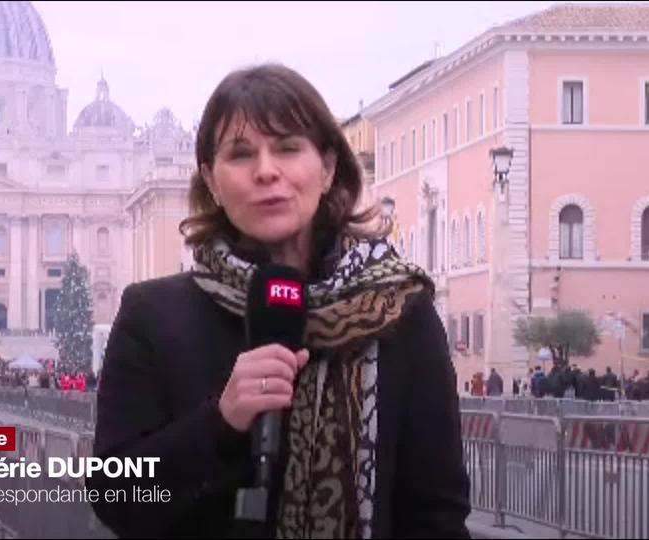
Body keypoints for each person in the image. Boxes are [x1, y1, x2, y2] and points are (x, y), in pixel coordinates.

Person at [87, 64, 470, 538]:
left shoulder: (398, 312)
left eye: (288, 148)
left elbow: (437, 513)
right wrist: (220, 423)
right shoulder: (153, 314)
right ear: (211, 179)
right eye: (241, 154)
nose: (267, 171)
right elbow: (113, 495)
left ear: (328, 168)